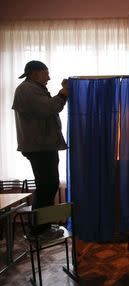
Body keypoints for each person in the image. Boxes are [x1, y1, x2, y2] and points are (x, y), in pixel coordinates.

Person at [12, 60, 68, 239]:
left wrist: (61, 94)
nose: (49, 78)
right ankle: (39, 230)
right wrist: (63, 93)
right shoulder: (27, 89)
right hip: (39, 147)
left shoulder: (32, 89)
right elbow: (49, 108)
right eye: (46, 73)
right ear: (35, 73)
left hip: (42, 146)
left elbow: (49, 108)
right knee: (47, 185)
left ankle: (41, 227)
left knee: (47, 185)